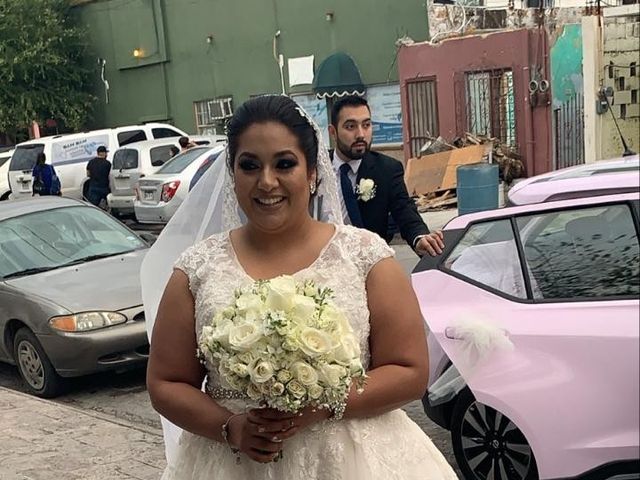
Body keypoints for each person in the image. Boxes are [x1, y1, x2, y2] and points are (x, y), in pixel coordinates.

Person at [144, 95, 457, 479]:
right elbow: (165, 382)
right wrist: (231, 428)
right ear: (233, 173)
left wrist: (325, 402)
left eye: (285, 164)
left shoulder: (364, 256)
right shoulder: (197, 269)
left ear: (312, 173)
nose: (267, 181)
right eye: (250, 166)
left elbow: (410, 371)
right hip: (235, 463)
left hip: (351, 461)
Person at [329, 95, 444, 257]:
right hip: (323, 262)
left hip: (370, 264)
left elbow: (404, 210)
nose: (360, 134)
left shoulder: (387, 170)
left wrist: (419, 237)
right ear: (333, 132)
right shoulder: (315, 169)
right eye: (350, 127)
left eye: (366, 125)